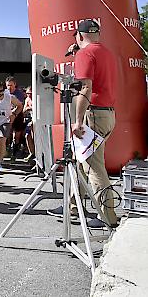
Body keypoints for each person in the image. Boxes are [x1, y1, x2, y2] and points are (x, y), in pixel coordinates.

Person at [50, 19, 118, 229]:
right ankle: (71, 205)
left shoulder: (85, 54)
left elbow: (86, 88)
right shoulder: (107, 53)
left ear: (79, 36)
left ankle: (108, 216)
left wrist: (78, 121)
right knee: (81, 161)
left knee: (94, 166)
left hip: (94, 115)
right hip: (107, 114)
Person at [6, 76, 27, 160]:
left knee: (16, 135)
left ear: (14, 85)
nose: (9, 87)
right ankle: (7, 150)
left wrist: (13, 114)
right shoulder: (5, 93)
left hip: (17, 116)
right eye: (8, 85)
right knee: (6, 134)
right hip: (7, 115)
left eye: (11, 85)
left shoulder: (19, 94)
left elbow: (19, 106)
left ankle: (15, 151)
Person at [22, 87, 35, 162]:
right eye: (27, 94)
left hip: (37, 120)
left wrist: (30, 108)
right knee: (27, 135)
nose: (29, 95)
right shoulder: (27, 99)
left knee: (34, 136)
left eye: (30, 94)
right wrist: (27, 109)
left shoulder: (36, 98)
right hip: (30, 119)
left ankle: (36, 153)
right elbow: (23, 111)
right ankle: (31, 152)